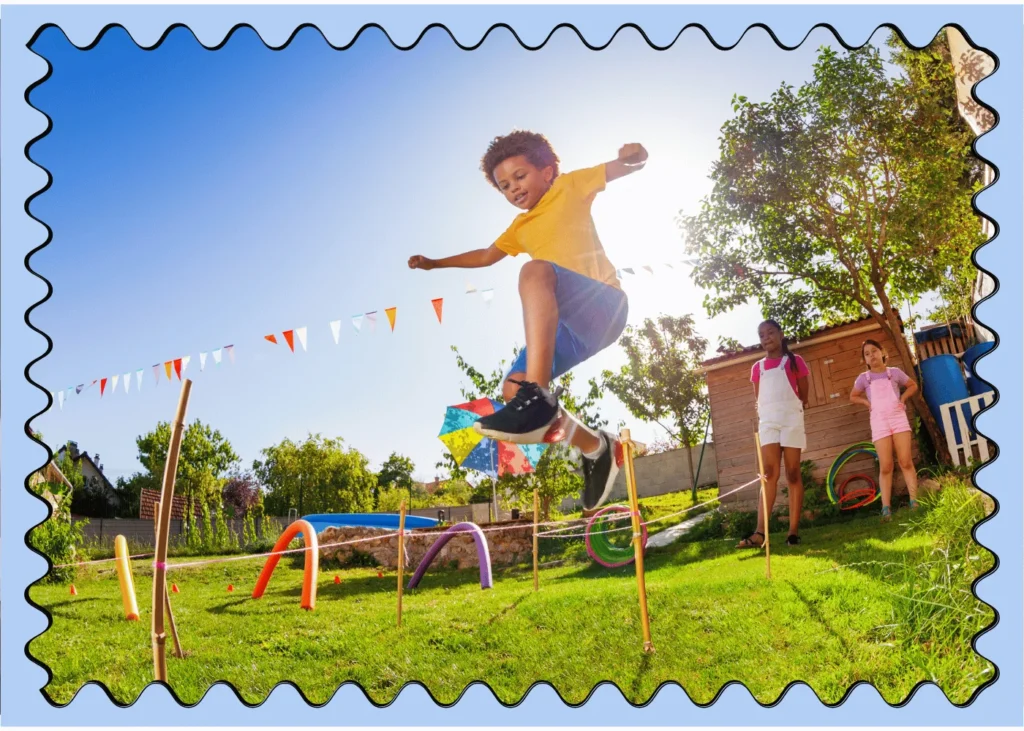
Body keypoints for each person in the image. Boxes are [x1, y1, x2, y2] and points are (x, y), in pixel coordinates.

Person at [408, 130, 645, 510]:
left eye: (520, 176)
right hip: (571, 328)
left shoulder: (569, 186)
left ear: (548, 171)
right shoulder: (519, 227)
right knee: (512, 390)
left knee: (534, 273)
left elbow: (623, 167)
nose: (513, 189)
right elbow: (485, 256)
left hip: (604, 305)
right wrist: (435, 264)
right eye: (504, 186)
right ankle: (597, 447)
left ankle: (538, 397)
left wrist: (634, 155)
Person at [737, 319, 810, 549]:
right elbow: (759, 400)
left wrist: (793, 411)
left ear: (780, 334)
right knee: (768, 473)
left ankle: (793, 532)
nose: (766, 337)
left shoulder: (795, 361)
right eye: (761, 335)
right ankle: (760, 533)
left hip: (791, 421)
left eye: (770, 332)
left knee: (792, 473)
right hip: (768, 423)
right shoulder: (757, 368)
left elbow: (803, 394)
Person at [849, 339, 921, 520]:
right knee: (886, 465)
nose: (871, 355)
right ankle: (886, 509)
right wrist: (866, 402)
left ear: (882, 352)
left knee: (905, 461)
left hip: (898, 419)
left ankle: (915, 502)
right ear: (865, 360)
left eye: (874, 351)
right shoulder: (863, 378)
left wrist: (903, 399)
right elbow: (853, 396)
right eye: (867, 354)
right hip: (879, 422)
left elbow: (913, 385)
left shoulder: (894, 373)